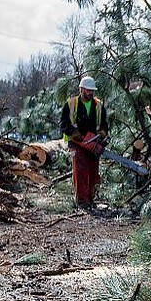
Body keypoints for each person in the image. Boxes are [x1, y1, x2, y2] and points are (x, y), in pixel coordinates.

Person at [60, 75, 109, 207]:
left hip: (93, 142)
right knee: (80, 170)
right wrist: (73, 132)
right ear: (81, 89)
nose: (90, 93)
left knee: (93, 171)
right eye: (88, 90)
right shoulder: (71, 104)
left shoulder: (98, 105)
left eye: (92, 90)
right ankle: (82, 201)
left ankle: (90, 199)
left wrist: (102, 133)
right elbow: (63, 123)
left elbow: (104, 123)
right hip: (77, 143)